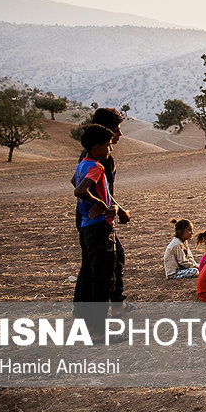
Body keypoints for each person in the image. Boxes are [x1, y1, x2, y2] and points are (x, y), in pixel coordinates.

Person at [73, 108, 131, 317]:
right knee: (102, 267)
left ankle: (89, 309)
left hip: (90, 219)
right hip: (97, 221)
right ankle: (103, 312)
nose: (119, 135)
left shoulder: (88, 155)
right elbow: (86, 189)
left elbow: (78, 182)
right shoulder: (100, 158)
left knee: (94, 264)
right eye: (116, 130)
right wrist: (105, 205)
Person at [72, 124, 118, 334]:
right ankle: (99, 330)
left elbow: (75, 181)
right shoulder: (97, 167)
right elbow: (80, 190)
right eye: (108, 146)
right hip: (100, 227)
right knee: (103, 279)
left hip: (87, 227)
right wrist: (100, 204)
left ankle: (90, 325)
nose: (110, 150)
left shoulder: (82, 164)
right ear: (97, 147)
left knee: (92, 275)